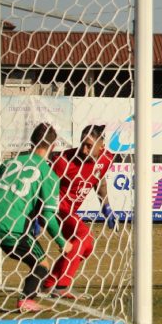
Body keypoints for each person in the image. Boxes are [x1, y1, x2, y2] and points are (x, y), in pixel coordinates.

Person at [0, 123, 72, 313]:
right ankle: (26, 299)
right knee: (42, 263)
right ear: (53, 146)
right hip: (10, 228)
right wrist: (62, 242)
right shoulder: (49, 174)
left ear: (31, 143)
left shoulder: (9, 164)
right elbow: (48, 215)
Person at [40, 124, 117, 299]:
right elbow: (43, 183)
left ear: (101, 146)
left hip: (71, 212)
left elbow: (100, 180)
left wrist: (106, 206)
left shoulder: (106, 159)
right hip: (56, 209)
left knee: (86, 247)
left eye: (89, 145)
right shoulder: (63, 161)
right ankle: (62, 285)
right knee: (84, 236)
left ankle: (49, 283)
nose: (83, 149)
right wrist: (37, 215)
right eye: (82, 143)